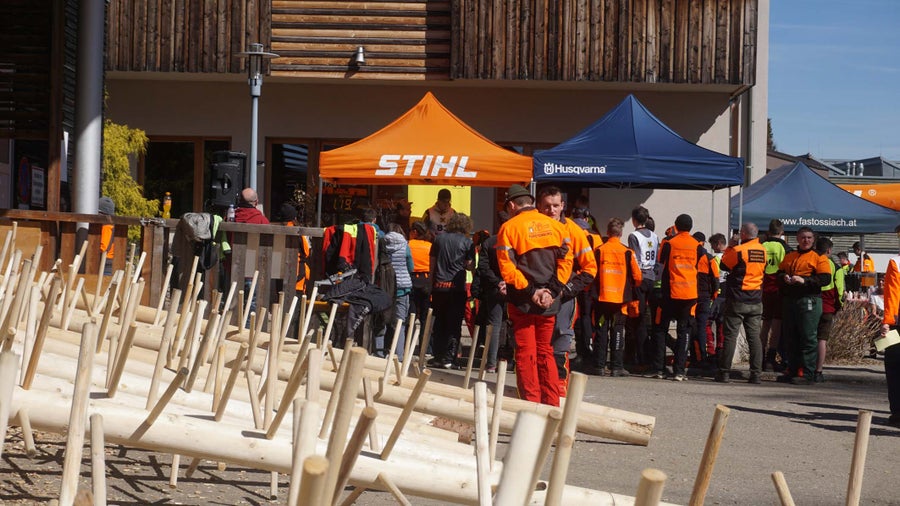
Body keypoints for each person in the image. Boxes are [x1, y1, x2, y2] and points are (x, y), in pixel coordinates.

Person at [496, 184, 572, 407]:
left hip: (523, 303)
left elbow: (508, 270)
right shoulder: (556, 226)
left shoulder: (509, 228)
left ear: (512, 205)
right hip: (549, 303)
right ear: (531, 202)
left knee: (526, 353)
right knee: (546, 351)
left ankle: (530, 406)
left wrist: (532, 292)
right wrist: (551, 291)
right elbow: (566, 262)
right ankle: (551, 405)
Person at [537, 186, 597, 395]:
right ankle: (538, 388)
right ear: (539, 206)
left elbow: (590, 268)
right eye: (546, 206)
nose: (551, 210)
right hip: (535, 295)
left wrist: (566, 290)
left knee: (560, 342)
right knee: (537, 345)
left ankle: (560, 388)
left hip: (563, 298)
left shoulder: (573, 230)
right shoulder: (532, 227)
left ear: (563, 205)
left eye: (555, 205)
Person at [648, 214, 702, 382]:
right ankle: (679, 371)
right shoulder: (697, 246)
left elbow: (659, 267)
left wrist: (655, 286)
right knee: (684, 331)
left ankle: (659, 369)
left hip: (670, 293)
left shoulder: (669, 243)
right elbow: (700, 269)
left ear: (676, 226)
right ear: (691, 227)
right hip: (690, 295)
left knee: (660, 329)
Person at [776, 226, 832, 385]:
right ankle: (792, 369)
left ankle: (807, 372)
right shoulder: (790, 256)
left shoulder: (819, 257)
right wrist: (784, 277)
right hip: (790, 299)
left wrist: (804, 280)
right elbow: (778, 274)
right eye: (802, 237)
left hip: (809, 300)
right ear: (797, 239)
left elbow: (825, 279)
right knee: (790, 335)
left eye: (809, 237)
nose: (805, 240)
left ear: (813, 239)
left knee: (808, 336)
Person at [715, 222, 766, 384]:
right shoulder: (763, 251)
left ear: (743, 234)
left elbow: (724, 265)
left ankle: (724, 372)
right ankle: (756, 374)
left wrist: (730, 246)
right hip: (756, 299)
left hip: (738, 299)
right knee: (754, 338)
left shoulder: (739, 251)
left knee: (730, 336)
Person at [594, 217, 642, 376]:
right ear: (620, 233)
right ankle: (616, 367)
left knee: (601, 329)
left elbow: (591, 273)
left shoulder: (599, 250)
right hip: (620, 301)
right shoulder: (627, 252)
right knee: (618, 330)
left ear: (608, 232)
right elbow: (638, 276)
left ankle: (599, 366)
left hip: (601, 299)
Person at [427, 213, 475, 369]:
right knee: (454, 324)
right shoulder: (467, 242)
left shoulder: (438, 239)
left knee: (439, 322)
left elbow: (432, 263)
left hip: (439, 286)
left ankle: (437, 356)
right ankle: (449, 358)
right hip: (456, 288)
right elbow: (470, 265)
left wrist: (431, 284)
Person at [473, 213, 510, 373]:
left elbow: (483, 267)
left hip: (494, 288)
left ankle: (491, 363)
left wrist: (497, 282)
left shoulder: (489, 242)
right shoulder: (516, 240)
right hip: (514, 286)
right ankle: (512, 360)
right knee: (514, 323)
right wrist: (507, 282)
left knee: (494, 324)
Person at [626, 206, 659, 371]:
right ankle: (653, 355)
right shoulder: (655, 235)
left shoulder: (634, 236)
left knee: (638, 318)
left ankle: (641, 358)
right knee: (651, 319)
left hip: (640, 277)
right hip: (652, 276)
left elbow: (634, 258)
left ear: (634, 220)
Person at [760, 219, 790, 371]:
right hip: (779, 288)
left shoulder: (761, 246)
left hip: (762, 287)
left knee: (765, 324)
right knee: (776, 324)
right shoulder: (785, 248)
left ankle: (759, 357)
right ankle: (770, 358)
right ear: (782, 232)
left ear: (768, 231)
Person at [381, 223, 414, 359]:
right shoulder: (405, 245)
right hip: (402, 287)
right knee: (400, 322)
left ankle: (379, 352)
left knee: (382, 320)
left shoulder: (382, 243)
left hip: (385, 287)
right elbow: (411, 267)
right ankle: (398, 355)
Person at [814, 237, 844, 383]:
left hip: (811, 302)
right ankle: (818, 371)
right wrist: (839, 306)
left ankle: (803, 368)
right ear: (829, 250)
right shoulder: (836, 268)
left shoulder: (812, 261)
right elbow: (840, 291)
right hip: (827, 306)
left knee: (807, 337)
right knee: (822, 339)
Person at [881, 224, 900, 427]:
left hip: (897, 322)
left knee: (894, 365)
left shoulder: (896, 262)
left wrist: (887, 322)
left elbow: (892, 294)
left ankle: (897, 412)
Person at [692, 232, 719, 370]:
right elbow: (716, 280)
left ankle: (694, 357)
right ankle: (703, 357)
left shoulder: (689, 255)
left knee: (689, 327)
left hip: (690, 296)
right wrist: (713, 296)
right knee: (702, 327)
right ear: (703, 242)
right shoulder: (709, 258)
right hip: (704, 297)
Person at [407, 221, 432, 352]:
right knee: (425, 318)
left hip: (412, 279)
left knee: (410, 315)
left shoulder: (409, 244)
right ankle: (424, 349)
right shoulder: (430, 246)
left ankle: (407, 346)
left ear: (415, 232)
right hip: (427, 281)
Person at [98, 196, 116, 275]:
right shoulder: (109, 226)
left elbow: (103, 248)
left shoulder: (107, 227)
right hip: (107, 262)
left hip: (106, 264)